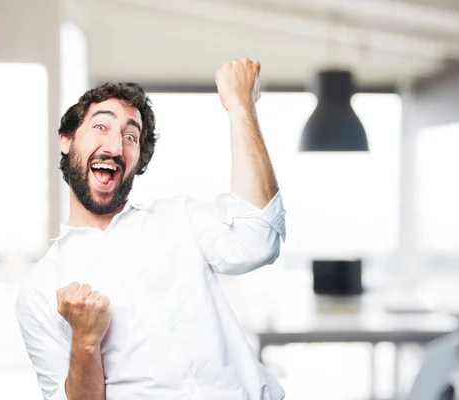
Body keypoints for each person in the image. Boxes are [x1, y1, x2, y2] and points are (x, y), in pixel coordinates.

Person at [15, 58, 286, 400]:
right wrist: (84, 340)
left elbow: (259, 239)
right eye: (101, 127)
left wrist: (240, 106)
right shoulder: (40, 290)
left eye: (131, 136)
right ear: (66, 141)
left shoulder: (180, 218)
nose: (115, 147)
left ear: (137, 161)